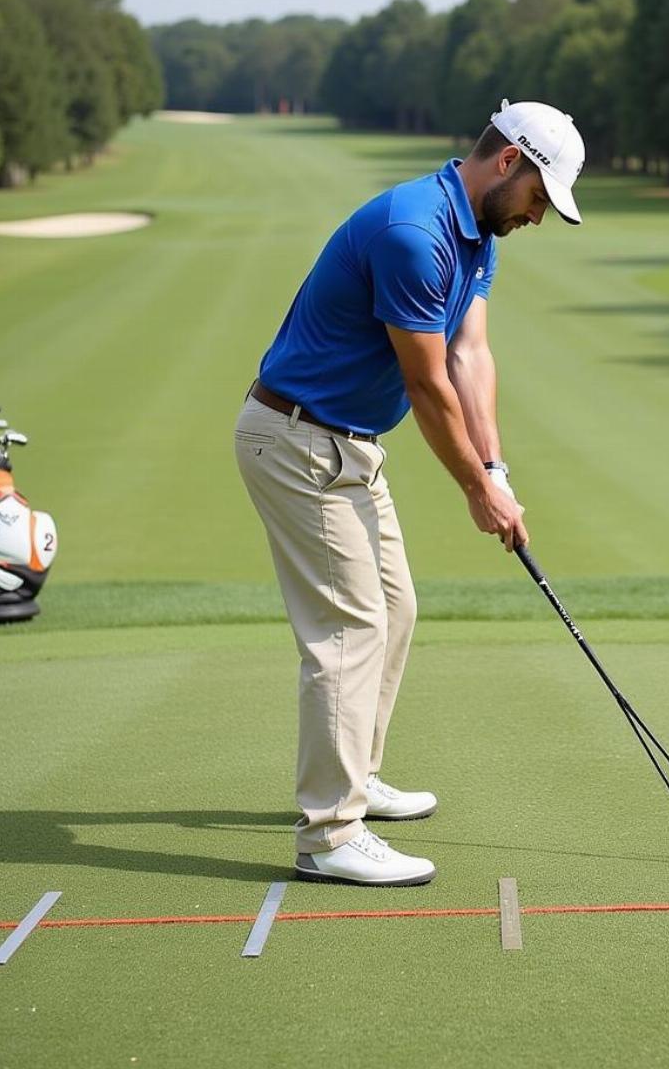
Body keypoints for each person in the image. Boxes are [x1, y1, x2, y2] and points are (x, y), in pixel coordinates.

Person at [234, 100, 586, 885]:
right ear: (508, 163)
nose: (539, 216)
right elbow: (427, 387)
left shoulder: (477, 233)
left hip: (346, 445)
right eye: (539, 197)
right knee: (350, 629)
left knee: (395, 610)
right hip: (296, 439)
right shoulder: (415, 233)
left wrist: (495, 470)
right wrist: (474, 491)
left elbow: (470, 355)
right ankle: (329, 834)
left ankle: (354, 778)